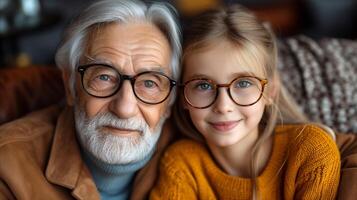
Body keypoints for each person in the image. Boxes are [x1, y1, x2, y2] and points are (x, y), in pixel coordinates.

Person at [150, 4, 340, 199]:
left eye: (243, 83)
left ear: (269, 91)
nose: (223, 106)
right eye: (203, 86)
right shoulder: (180, 165)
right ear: (183, 96)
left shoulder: (309, 149)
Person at [0, 0, 181, 199]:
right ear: (71, 87)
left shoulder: (197, 152)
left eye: (149, 83)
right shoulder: (7, 166)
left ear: (169, 102)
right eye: (104, 77)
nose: (124, 108)